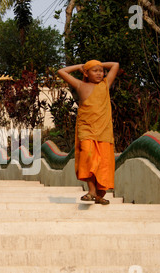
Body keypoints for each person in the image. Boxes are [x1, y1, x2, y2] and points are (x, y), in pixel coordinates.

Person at [57, 60, 119, 205]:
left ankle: (99, 195)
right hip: (86, 130)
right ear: (86, 73)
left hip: (104, 131)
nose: (99, 73)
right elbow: (61, 72)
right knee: (88, 158)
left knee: (103, 163)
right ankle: (91, 191)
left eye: (101, 71)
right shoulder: (80, 85)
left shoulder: (105, 84)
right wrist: (80, 67)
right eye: (94, 71)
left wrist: (98, 64)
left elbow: (115, 65)